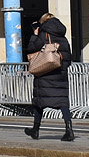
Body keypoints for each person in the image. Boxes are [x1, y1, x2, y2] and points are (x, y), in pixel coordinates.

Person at [25, 13, 74, 142]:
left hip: (45, 74)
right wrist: (61, 67)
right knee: (63, 102)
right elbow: (69, 57)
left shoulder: (43, 34)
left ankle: (35, 129)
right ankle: (69, 130)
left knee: (39, 102)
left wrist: (34, 35)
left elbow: (31, 49)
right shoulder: (62, 37)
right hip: (60, 75)